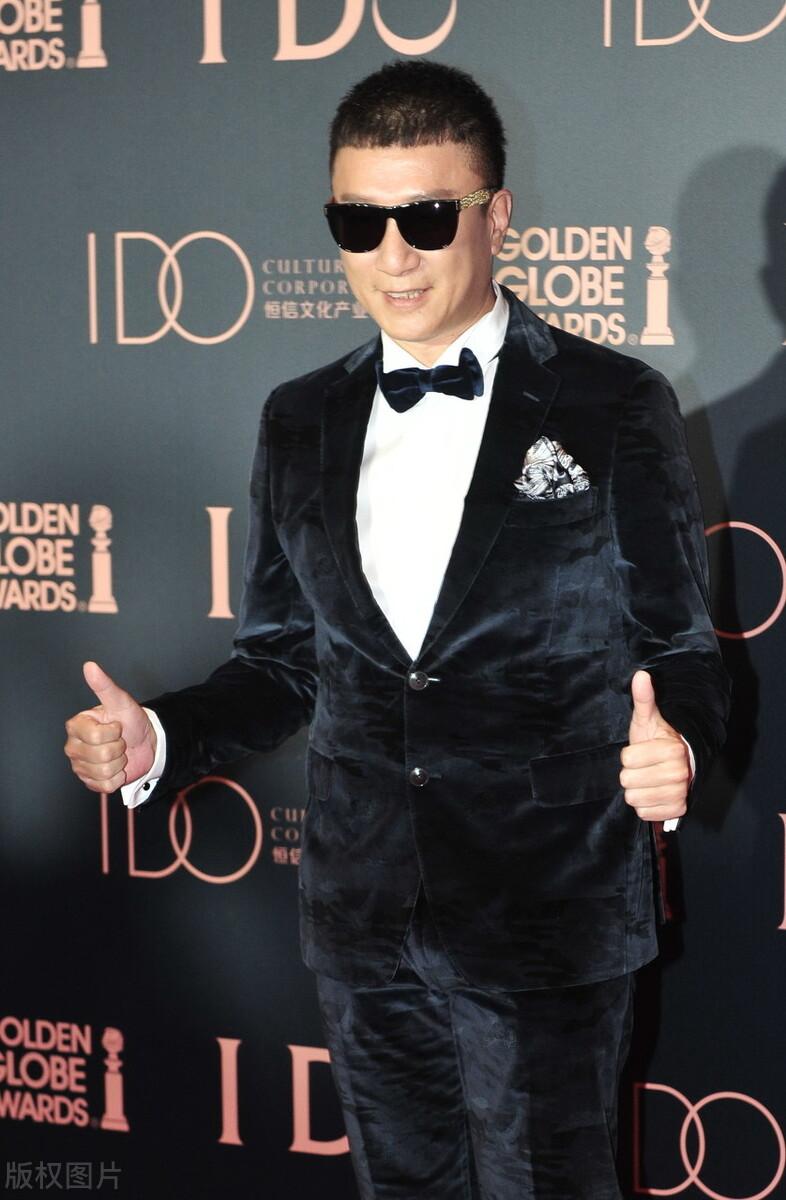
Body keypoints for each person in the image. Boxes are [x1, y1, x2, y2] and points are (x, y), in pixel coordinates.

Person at [64, 60, 729, 1200]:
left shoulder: (614, 405)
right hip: (365, 916)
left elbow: (680, 647)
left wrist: (685, 745)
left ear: (496, 216)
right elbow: (283, 661)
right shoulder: (299, 417)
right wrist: (160, 739)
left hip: (550, 912)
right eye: (357, 223)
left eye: (425, 218)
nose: (393, 256)